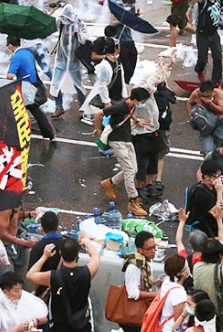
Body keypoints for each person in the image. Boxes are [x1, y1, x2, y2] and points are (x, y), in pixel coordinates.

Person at [27, 237, 100, 332]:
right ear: (77, 254)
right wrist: (87, 243)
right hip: (82, 325)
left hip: (60, 326)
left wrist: (45, 256)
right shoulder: (87, 272)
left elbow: (30, 275)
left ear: (60, 253)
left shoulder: (53, 276)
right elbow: (96, 255)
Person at [99, 87, 152, 217]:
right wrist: (97, 130)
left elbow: (130, 112)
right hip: (117, 140)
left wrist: (136, 121)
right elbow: (98, 114)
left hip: (127, 139)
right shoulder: (120, 106)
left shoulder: (130, 104)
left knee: (133, 169)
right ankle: (133, 201)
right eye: (143, 101)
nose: (143, 103)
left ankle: (110, 183)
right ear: (136, 100)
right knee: (129, 171)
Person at [4, 35, 55, 140]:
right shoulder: (28, 52)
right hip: (35, 85)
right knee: (33, 110)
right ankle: (48, 134)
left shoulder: (17, 57)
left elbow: (10, 76)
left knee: (15, 108)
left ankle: (12, 132)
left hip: (27, 89)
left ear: (10, 45)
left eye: (8, 46)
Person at [192, 239, 223, 328]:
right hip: (216, 314)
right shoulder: (221, 270)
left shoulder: (196, 267)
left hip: (200, 311)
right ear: (219, 255)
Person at [193, 0, 223, 84]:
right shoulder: (203, 2)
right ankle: (199, 70)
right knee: (202, 59)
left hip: (214, 35)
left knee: (217, 58)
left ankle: (216, 80)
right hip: (202, 36)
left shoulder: (219, 1)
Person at [25, 211, 64, 298]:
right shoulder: (66, 245)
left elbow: (32, 275)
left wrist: (37, 291)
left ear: (41, 228)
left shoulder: (37, 248)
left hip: (44, 293)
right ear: (58, 227)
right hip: (63, 291)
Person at [185, 159, 223, 239]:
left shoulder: (212, 186)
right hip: (206, 231)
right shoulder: (201, 193)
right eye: (216, 175)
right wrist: (220, 191)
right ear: (207, 177)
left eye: (219, 175)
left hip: (212, 226)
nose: (218, 178)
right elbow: (219, 213)